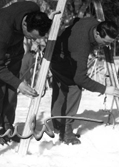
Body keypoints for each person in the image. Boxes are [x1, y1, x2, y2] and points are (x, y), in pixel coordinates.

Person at [0, 1, 53, 145]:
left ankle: (7, 128)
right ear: (25, 25)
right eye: (31, 37)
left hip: (14, 45)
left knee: (11, 89)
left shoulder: (33, 9)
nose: (32, 40)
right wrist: (20, 84)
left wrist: (49, 20)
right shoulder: (3, 29)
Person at [50, 17, 119, 145]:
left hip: (60, 50)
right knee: (74, 88)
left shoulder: (94, 24)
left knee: (61, 89)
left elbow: (77, 20)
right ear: (97, 33)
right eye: (105, 42)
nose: (107, 46)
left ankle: (58, 125)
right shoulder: (81, 45)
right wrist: (105, 89)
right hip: (59, 58)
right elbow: (80, 78)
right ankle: (66, 132)